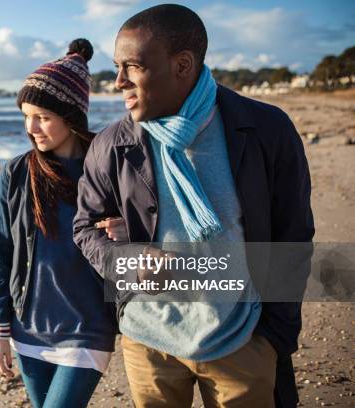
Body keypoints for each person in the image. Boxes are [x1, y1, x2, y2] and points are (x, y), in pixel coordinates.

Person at [73, 5, 314, 408]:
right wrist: (128, 260)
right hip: (148, 342)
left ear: (182, 64)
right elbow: (85, 229)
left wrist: (275, 335)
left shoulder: (266, 130)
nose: (117, 82)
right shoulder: (111, 144)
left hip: (243, 339)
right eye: (117, 67)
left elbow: (294, 235)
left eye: (132, 67)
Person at [0, 39, 117, 408]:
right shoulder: (16, 173)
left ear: (71, 116)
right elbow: (2, 253)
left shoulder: (105, 170)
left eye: (42, 117)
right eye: (26, 115)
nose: (31, 127)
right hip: (28, 329)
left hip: (87, 329)